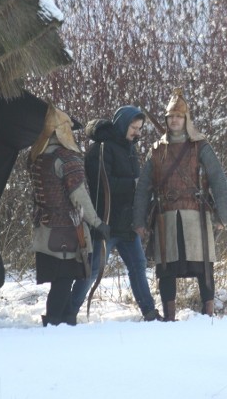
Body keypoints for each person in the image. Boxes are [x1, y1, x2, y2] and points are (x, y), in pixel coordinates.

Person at [132, 89, 227, 320]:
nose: (174, 120)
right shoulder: (157, 151)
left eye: (179, 116)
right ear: (166, 119)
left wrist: (222, 216)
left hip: (197, 215)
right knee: (166, 268)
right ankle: (169, 316)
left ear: (186, 119)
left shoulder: (200, 146)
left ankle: (208, 314)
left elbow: (218, 180)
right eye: (170, 116)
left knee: (204, 266)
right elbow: (143, 188)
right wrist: (139, 221)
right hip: (166, 216)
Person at [65, 106, 162, 322]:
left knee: (138, 266)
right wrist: (136, 184)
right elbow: (103, 183)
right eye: (133, 127)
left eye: (139, 128)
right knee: (93, 270)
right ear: (122, 124)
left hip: (127, 222)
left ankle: (149, 312)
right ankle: (69, 313)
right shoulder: (100, 149)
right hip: (105, 221)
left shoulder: (129, 148)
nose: (137, 132)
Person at [28, 103, 110, 326]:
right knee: (64, 278)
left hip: (45, 228)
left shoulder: (37, 157)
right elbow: (79, 195)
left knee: (60, 279)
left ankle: (63, 320)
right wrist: (97, 222)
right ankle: (55, 322)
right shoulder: (67, 158)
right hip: (67, 229)